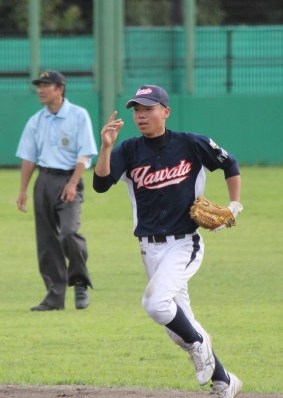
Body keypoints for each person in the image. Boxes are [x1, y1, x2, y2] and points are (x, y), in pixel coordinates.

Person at [92, 84, 244, 398]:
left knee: (155, 303)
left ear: (166, 112)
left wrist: (234, 205)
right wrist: (106, 148)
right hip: (149, 248)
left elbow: (229, 163)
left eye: (148, 109)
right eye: (137, 110)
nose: (141, 115)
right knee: (177, 330)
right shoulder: (129, 149)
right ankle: (225, 381)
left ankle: (200, 344)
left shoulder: (191, 144)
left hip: (184, 244)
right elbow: (101, 184)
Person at [16, 70, 97, 311]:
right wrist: (23, 190)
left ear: (60, 89)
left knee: (69, 232)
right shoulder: (36, 121)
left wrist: (73, 183)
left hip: (68, 178)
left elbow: (85, 153)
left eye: (46, 86)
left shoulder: (78, 115)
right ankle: (54, 297)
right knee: (46, 240)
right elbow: (28, 157)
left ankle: (80, 282)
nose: (40, 90)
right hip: (44, 180)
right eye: (39, 86)